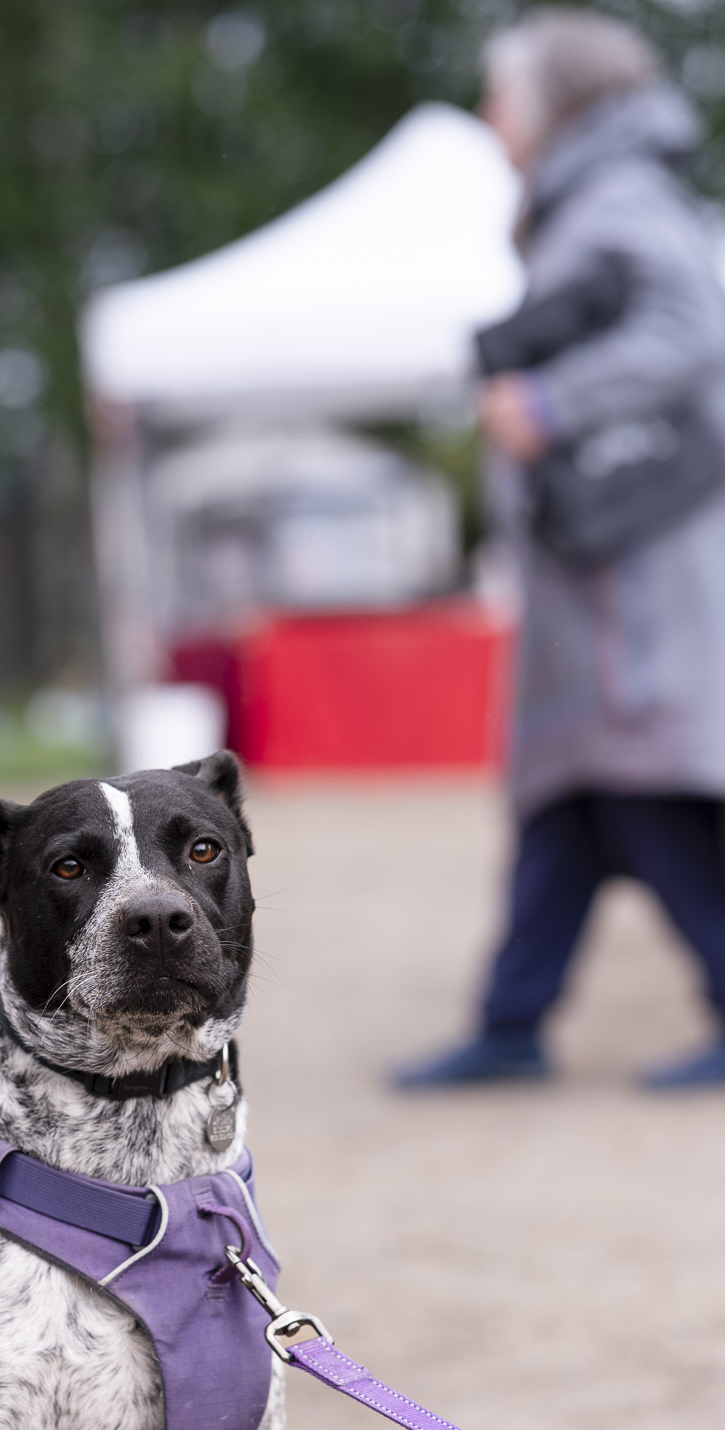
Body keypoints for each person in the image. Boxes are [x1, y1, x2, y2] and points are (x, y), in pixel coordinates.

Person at [395, 9, 725, 1092]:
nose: (492, 120)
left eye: (504, 98)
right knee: (570, 798)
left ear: (555, 107)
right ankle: (511, 1017)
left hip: (636, 573)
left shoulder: (620, 201)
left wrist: (549, 398)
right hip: (600, 576)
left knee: (640, 781)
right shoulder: (594, 200)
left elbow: (692, 327)